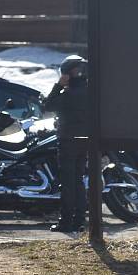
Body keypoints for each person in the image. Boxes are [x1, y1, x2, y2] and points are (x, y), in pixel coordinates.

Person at [43, 55, 88, 233]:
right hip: (85, 141)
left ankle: (66, 221)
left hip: (68, 140)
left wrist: (58, 85)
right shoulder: (90, 91)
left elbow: (48, 105)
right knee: (78, 181)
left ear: (67, 74)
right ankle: (79, 221)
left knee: (68, 183)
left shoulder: (67, 94)